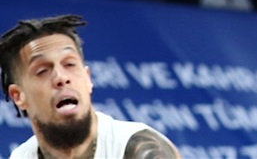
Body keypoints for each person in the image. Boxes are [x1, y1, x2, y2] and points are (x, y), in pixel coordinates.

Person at [1, 14, 181, 158]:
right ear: (18, 96)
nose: (61, 78)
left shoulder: (139, 149)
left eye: (69, 64)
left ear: (87, 79)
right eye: (42, 71)